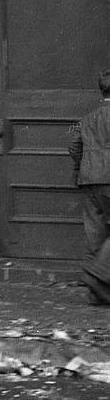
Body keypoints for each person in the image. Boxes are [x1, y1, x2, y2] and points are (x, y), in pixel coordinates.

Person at [67, 68, 110, 305]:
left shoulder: (86, 119)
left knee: (95, 234)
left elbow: (73, 146)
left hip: (89, 180)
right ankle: (97, 276)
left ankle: (96, 294)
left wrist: (83, 166)